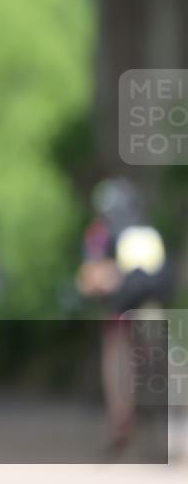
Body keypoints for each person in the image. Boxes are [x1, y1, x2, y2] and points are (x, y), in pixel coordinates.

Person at [75, 176, 170, 454]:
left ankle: (121, 425)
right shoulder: (148, 229)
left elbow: (91, 278)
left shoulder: (100, 232)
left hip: (121, 311)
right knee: (160, 362)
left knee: (117, 363)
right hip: (152, 307)